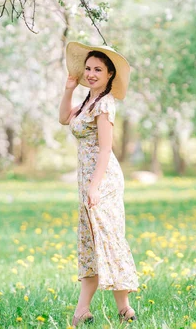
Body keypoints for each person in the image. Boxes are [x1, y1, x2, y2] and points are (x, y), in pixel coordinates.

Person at [59, 41, 139, 327]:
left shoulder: (105, 103)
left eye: (98, 70)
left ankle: (100, 308)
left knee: (107, 237)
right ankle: (118, 310)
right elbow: (63, 118)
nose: (91, 74)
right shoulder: (86, 102)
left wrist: (94, 187)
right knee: (92, 241)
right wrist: (69, 88)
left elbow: (106, 150)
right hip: (86, 180)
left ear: (109, 76)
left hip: (102, 180)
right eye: (88, 68)